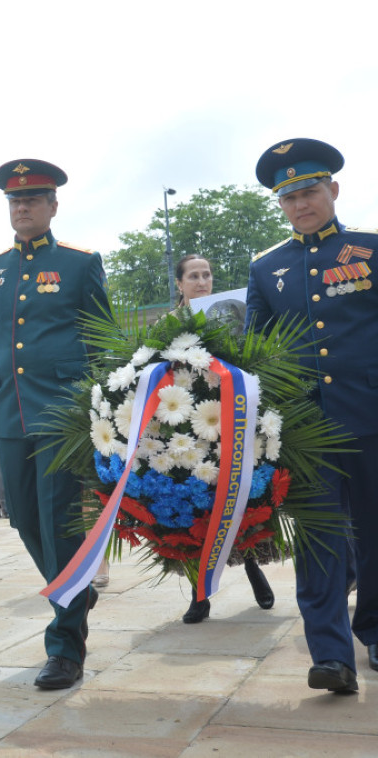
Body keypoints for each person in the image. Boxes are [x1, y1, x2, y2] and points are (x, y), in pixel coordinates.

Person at [0, 159, 109, 689]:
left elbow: (101, 341)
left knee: (56, 520)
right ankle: (76, 589)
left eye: (32, 200)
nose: (22, 208)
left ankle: (65, 645)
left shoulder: (79, 264)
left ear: (52, 206)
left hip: (63, 416)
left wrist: (103, 409)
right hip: (12, 416)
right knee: (22, 518)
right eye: (15, 201)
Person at [246, 138, 378, 693]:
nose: (300, 204)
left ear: (333, 190)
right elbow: (253, 350)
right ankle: (330, 655)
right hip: (306, 432)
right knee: (320, 540)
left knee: (374, 534)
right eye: (289, 197)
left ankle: (374, 631)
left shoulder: (370, 250)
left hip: (371, 416)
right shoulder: (267, 268)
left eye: (310, 191)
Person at [166, 254, 275, 623]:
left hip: (235, 418)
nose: (201, 281)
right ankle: (200, 594)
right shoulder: (170, 323)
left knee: (242, 496)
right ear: (179, 284)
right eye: (193, 276)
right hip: (188, 427)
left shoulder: (230, 311)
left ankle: (251, 565)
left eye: (206, 275)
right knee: (196, 509)